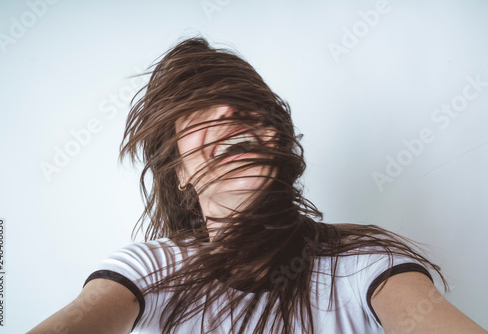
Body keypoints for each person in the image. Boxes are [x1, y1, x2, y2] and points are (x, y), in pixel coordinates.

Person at [27, 37, 487, 334]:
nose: (227, 111)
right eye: (199, 108)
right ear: (179, 173)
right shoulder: (148, 270)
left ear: (279, 140)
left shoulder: (366, 267)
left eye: (245, 101)